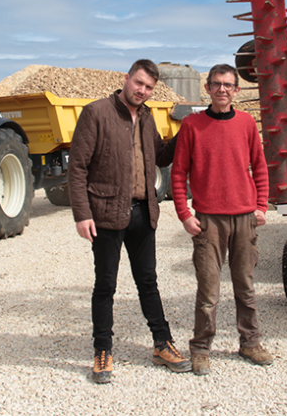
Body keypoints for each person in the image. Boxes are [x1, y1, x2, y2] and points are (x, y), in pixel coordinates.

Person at [68, 59, 190, 384]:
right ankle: (102, 351)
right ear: (126, 79)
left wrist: (186, 132)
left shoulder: (147, 118)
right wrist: (82, 214)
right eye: (138, 83)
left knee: (148, 282)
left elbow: (161, 155)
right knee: (105, 286)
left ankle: (162, 344)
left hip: (143, 214)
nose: (142, 91)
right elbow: (77, 167)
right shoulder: (97, 113)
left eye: (149, 87)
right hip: (107, 214)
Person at [171, 63, 272, 376]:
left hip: (244, 218)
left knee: (246, 286)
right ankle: (201, 348)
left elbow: (260, 166)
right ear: (208, 88)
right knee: (208, 291)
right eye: (216, 84)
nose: (222, 90)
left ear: (237, 90)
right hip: (209, 221)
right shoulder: (192, 125)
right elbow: (178, 173)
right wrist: (184, 214)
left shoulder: (246, 123)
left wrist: (261, 206)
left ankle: (250, 342)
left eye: (228, 85)